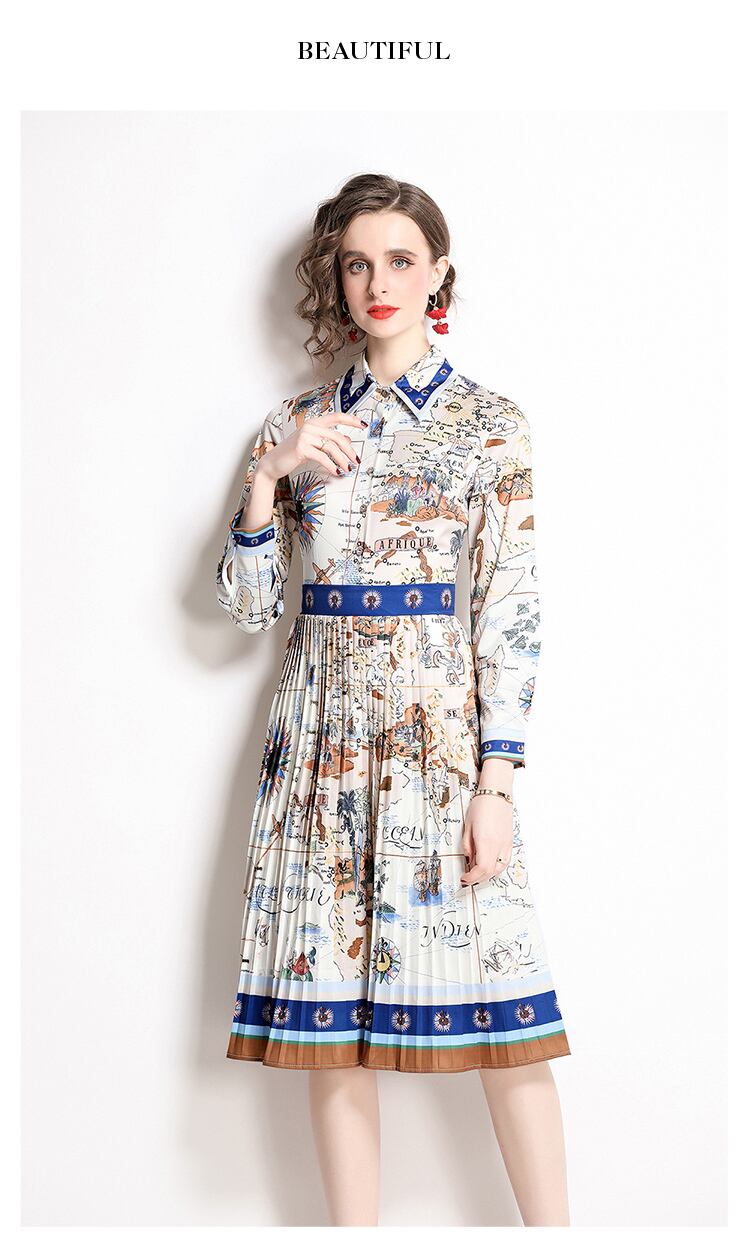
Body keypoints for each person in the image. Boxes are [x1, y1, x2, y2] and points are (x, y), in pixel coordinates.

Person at [217, 173, 572, 1226]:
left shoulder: (489, 424)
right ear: (337, 274)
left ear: (438, 273)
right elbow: (248, 608)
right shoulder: (294, 422)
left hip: (437, 743)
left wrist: (497, 782)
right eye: (358, 262)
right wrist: (267, 480)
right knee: (331, 1028)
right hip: (317, 739)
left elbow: (510, 610)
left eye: (401, 260)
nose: (378, 282)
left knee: (503, 1011)